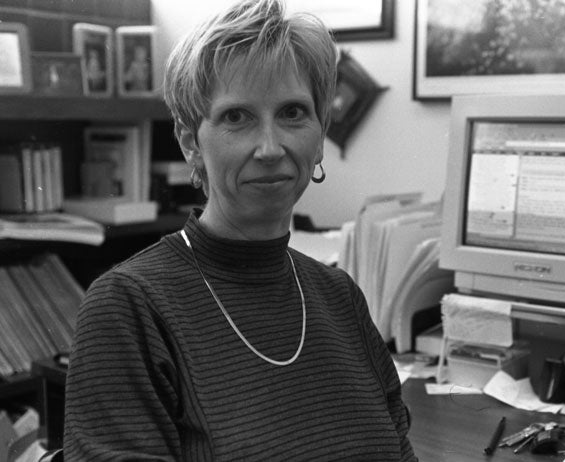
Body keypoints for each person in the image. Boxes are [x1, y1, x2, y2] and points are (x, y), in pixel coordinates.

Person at [63, 1, 416, 460]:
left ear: (320, 130)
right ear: (191, 141)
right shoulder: (130, 309)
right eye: (236, 117)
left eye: (292, 113)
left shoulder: (340, 297)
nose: (270, 148)